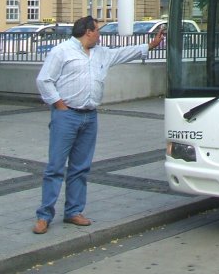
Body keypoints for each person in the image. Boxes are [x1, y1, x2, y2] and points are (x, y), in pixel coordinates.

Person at [32, 16, 164, 235]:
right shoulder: (62, 51)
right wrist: (59, 104)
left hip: (89, 116)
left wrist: (149, 45)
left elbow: (122, 53)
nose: (100, 34)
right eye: (97, 30)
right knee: (55, 167)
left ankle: (74, 211)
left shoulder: (101, 52)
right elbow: (44, 80)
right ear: (88, 32)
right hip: (66, 115)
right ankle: (44, 215)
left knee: (80, 167)